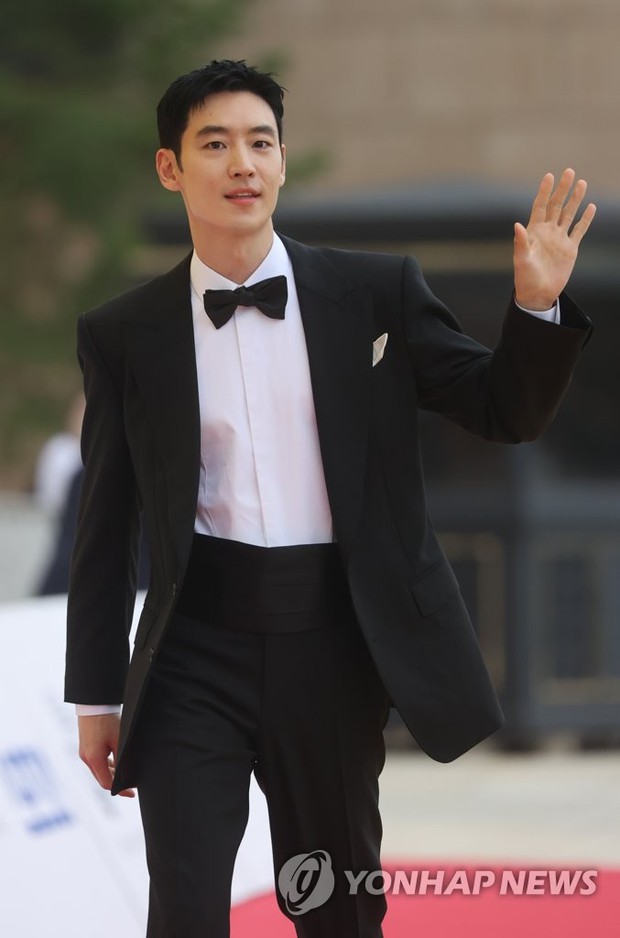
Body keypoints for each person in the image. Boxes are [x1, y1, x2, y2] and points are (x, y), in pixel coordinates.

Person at [65, 60, 596, 938]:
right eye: (215, 144)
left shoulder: (374, 293)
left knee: (336, 909)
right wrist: (95, 696)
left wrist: (536, 308)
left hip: (332, 647)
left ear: (282, 160)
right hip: (194, 648)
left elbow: (503, 410)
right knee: (184, 909)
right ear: (170, 168)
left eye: (261, 143)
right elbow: (105, 524)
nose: (243, 163)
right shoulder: (123, 333)